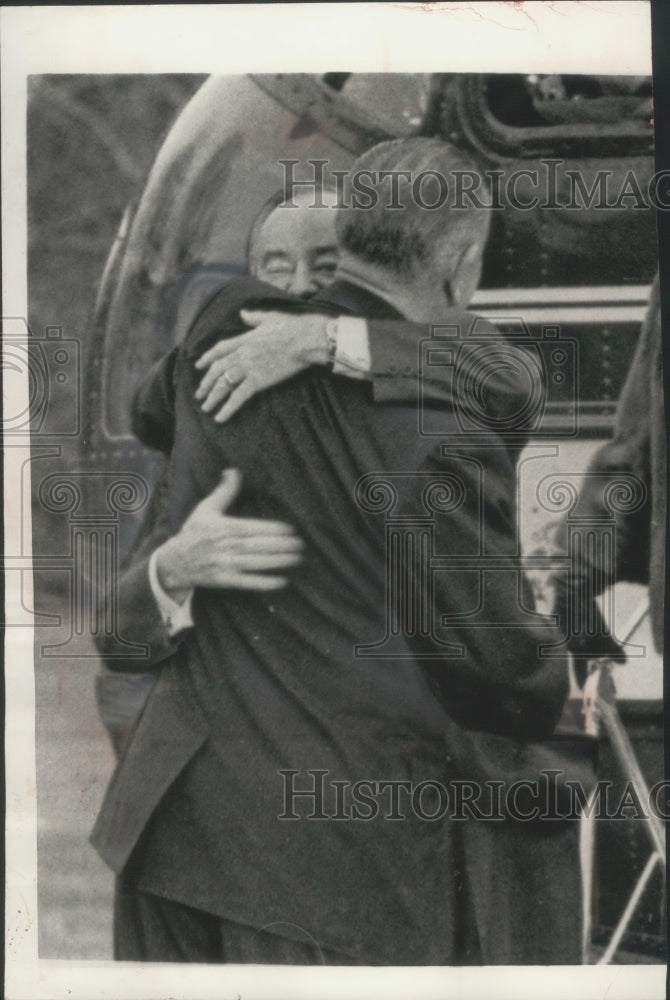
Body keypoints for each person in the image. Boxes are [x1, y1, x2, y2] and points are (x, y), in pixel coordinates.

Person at [92, 138, 589, 964]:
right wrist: (562, 669)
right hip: (332, 877)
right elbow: (499, 672)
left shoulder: (222, 338)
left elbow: (152, 408)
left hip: (174, 847)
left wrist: (324, 340)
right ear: (462, 267)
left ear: (346, 242)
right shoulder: (446, 431)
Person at [97, 177, 532, 753]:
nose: (299, 286)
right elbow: (118, 639)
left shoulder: (422, 388)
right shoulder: (216, 423)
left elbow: (506, 378)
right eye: (276, 268)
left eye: (324, 267)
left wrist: (323, 339)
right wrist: (172, 569)